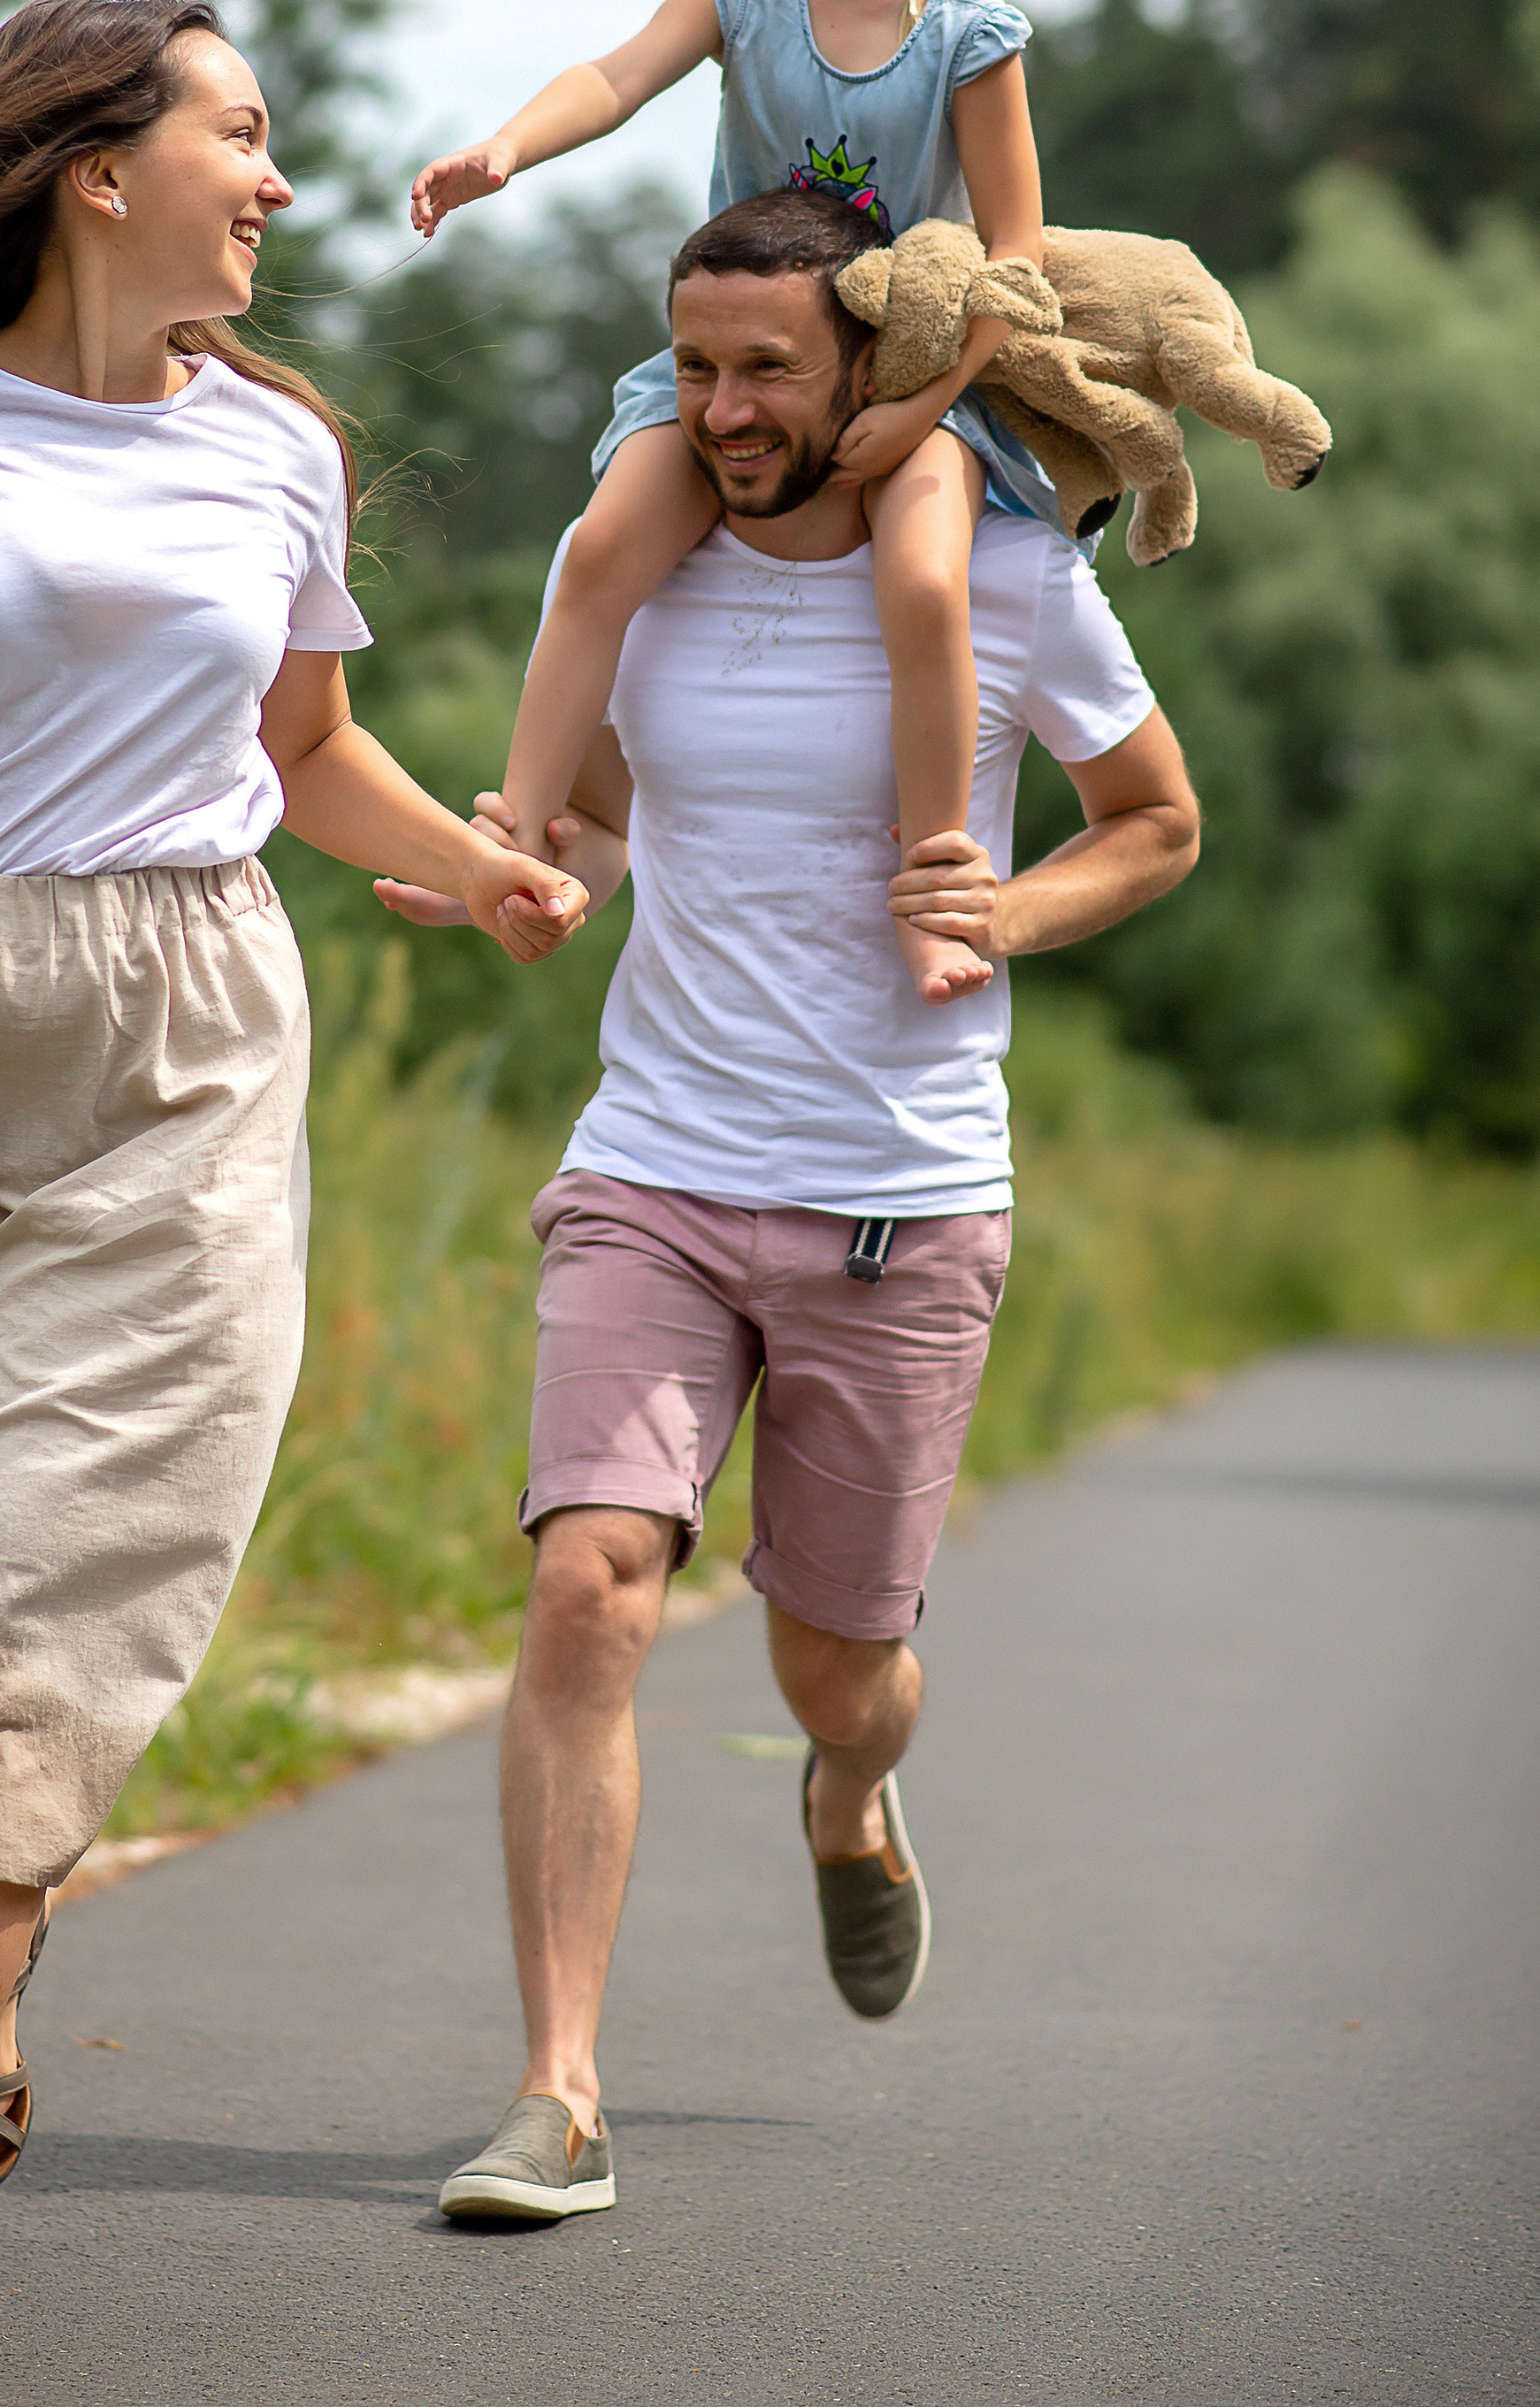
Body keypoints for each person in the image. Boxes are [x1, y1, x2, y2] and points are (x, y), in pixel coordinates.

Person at [0, 0, 586, 2380]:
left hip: (180, 1025)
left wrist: (477, 866)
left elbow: (310, 744)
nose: (277, 179)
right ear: (93, 163)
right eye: (240, 134)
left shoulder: (272, 453)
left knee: (11, 1622)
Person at [376, 184, 1199, 2226]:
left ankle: (847, 1792)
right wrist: (535, 850)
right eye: (692, 367)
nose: (724, 409)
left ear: (865, 376)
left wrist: (998, 908)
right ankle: (556, 2091)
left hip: (894, 1202)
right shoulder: (645, 562)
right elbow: (624, 806)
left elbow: (1157, 822)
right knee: (588, 1584)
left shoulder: (1003, 575)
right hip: (653, 1159)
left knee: (833, 1664)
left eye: (766, 370)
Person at [409, 0, 1056, 1008]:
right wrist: (507, 150)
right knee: (597, 552)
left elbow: (1019, 259)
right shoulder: (741, 0)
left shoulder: (970, 41)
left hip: (906, 373)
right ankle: (518, 835)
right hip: (735, 367)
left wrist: (926, 412)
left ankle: (936, 891)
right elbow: (613, 76)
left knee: (928, 585)